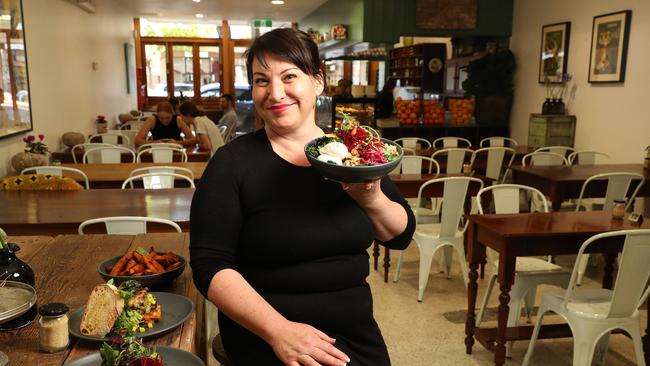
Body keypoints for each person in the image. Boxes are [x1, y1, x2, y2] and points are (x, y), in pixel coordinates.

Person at [190, 28, 415, 365]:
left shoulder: (350, 151)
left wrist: (370, 197)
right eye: (262, 80)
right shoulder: (233, 163)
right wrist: (280, 331)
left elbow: (400, 234)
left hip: (352, 332)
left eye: (289, 76)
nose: (275, 92)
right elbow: (210, 266)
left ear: (318, 82)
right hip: (266, 332)